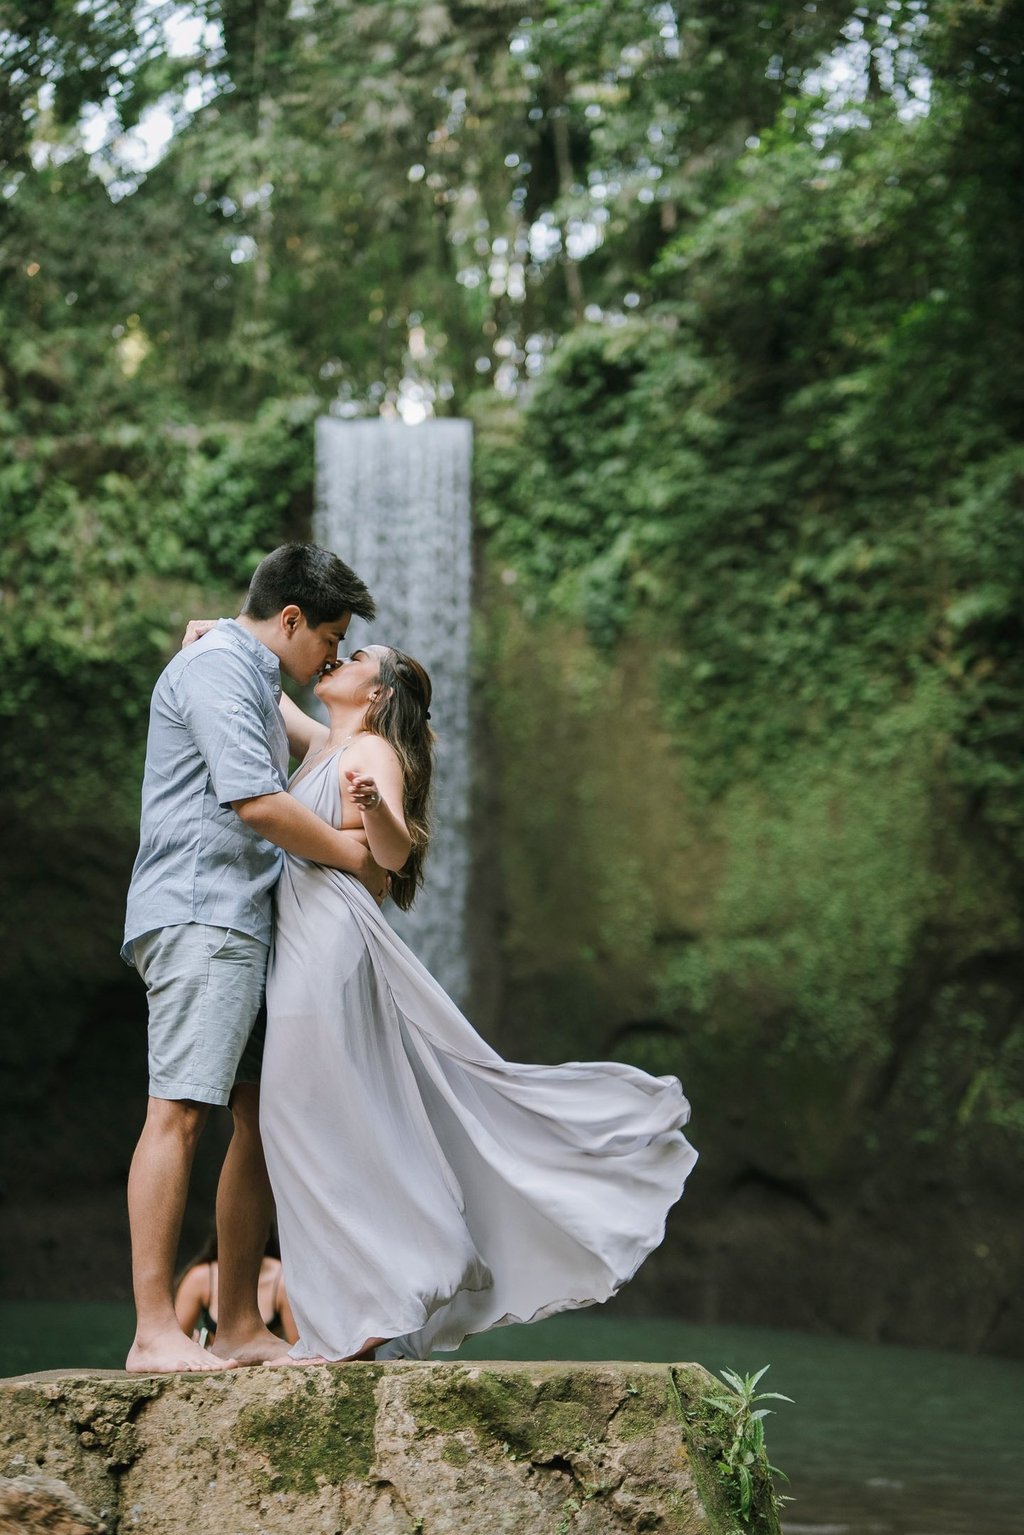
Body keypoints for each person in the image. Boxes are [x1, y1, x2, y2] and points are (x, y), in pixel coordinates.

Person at [260, 643, 698, 1362]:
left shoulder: (370, 751)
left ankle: (380, 1296)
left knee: (302, 1110)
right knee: (314, 1114)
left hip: (329, 944)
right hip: (309, 940)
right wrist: (226, 641)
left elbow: (396, 853)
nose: (341, 655)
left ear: (377, 694)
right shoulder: (329, 742)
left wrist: (373, 816)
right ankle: (358, 1308)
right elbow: (274, 702)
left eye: (360, 654)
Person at [122, 543, 379, 1374]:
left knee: (261, 1119)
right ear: (292, 618)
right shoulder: (218, 670)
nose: (333, 656)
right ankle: (156, 1330)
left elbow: (314, 751)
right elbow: (258, 802)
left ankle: (236, 1322)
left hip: (244, 925)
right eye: (329, 637)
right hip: (202, 915)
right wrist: (353, 855)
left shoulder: (246, 672)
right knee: (180, 1109)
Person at [174, 1231, 298, 1348]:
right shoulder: (201, 1277)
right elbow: (176, 1342)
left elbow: (297, 1346)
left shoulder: (283, 1278)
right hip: (219, 1363)